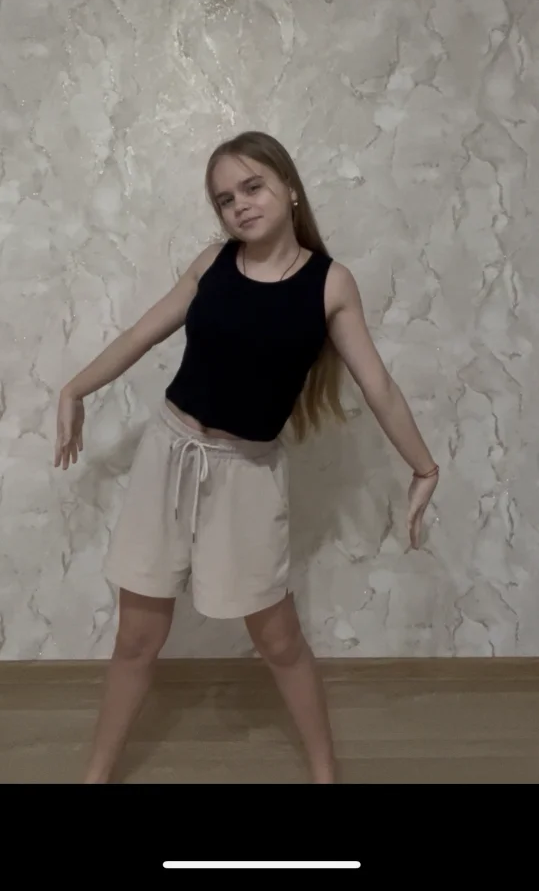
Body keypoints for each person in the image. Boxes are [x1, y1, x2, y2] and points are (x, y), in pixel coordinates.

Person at [55, 131, 439, 784]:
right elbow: (140, 333)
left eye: (252, 187)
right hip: (168, 456)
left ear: (289, 187)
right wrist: (74, 388)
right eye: (225, 199)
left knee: (278, 640)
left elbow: (379, 385)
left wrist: (425, 466)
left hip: (246, 475)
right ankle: (96, 774)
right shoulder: (212, 263)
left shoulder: (330, 283)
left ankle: (325, 773)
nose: (239, 205)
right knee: (136, 639)